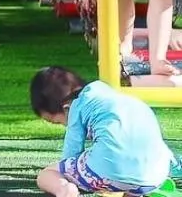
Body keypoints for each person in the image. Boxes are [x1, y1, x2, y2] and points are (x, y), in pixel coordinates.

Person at [29, 65, 175, 196]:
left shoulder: (76, 106)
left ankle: (66, 191)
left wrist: (67, 177)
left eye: (57, 122)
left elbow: (71, 154)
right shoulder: (118, 98)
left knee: (48, 174)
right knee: (127, 159)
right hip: (155, 176)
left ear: (66, 108)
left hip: (111, 170)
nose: (64, 126)